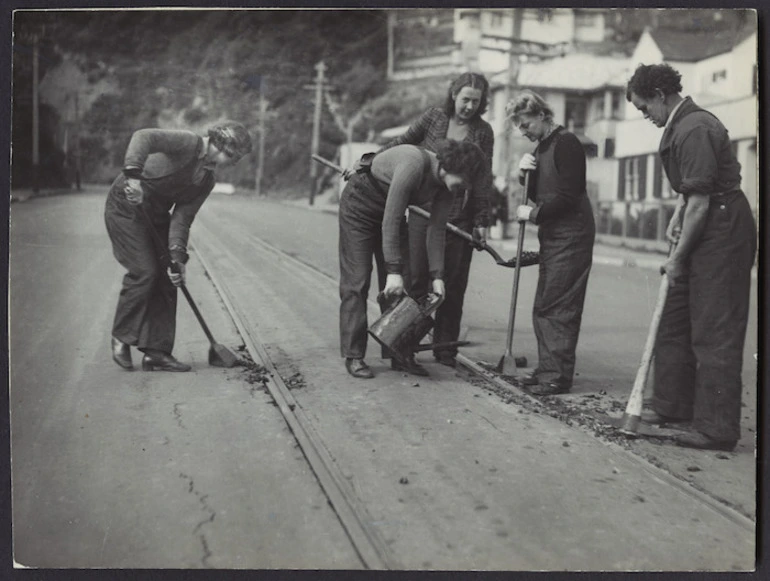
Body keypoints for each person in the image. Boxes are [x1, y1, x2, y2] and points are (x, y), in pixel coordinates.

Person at [626, 63, 756, 451]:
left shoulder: (695, 127)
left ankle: (716, 429)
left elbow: (702, 199)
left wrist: (678, 258)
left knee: (713, 328)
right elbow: (692, 194)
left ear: (660, 95)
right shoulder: (680, 124)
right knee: (675, 316)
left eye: (644, 108)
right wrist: (678, 217)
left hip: (723, 230)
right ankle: (672, 404)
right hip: (704, 218)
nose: (645, 115)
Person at [347, 72, 494, 368]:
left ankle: (443, 350)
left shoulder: (482, 135)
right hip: (414, 200)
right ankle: (400, 347)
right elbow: (401, 143)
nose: (469, 106)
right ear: (454, 95)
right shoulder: (432, 123)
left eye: (475, 102)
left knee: (449, 284)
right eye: (465, 99)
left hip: (450, 207)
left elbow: (482, 180)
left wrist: (481, 219)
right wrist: (367, 162)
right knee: (411, 277)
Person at [105, 121, 252, 372]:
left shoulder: (207, 180)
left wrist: (177, 257)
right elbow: (144, 136)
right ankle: (121, 336)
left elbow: (182, 219)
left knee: (169, 275)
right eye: (234, 156)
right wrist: (133, 177)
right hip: (126, 206)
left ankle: (157, 352)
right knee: (145, 271)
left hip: (155, 215)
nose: (233, 162)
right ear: (223, 146)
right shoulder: (188, 143)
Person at [339, 139, 486, 379]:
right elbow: (391, 220)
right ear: (453, 167)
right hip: (360, 210)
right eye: (466, 181)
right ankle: (354, 354)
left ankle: (397, 351)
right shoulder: (413, 164)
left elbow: (436, 230)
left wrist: (437, 277)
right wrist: (392, 271)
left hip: (389, 215)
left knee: (403, 286)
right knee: (357, 281)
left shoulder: (447, 187)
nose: (465, 188)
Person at [507, 90, 596, 395]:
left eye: (525, 123)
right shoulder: (543, 147)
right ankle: (548, 369)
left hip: (572, 234)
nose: (523, 131)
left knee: (559, 306)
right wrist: (523, 177)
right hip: (554, 235)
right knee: (545, 304)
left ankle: (557, 376)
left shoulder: (566, 143)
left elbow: (569, 197)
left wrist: (533, 213)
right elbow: (544, 193)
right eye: (518, 126)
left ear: (542, 115)